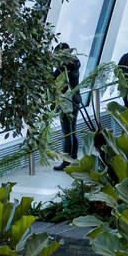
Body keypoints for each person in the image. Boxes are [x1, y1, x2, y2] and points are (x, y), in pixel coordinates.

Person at [52, 42, 81, 171]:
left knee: (66, 133)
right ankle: (74, 158)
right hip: (76, 99)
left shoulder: (63, 67)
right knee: (73, 130)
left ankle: (66, 162)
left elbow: (52, 78)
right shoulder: (75, 63)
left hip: (66, 101)